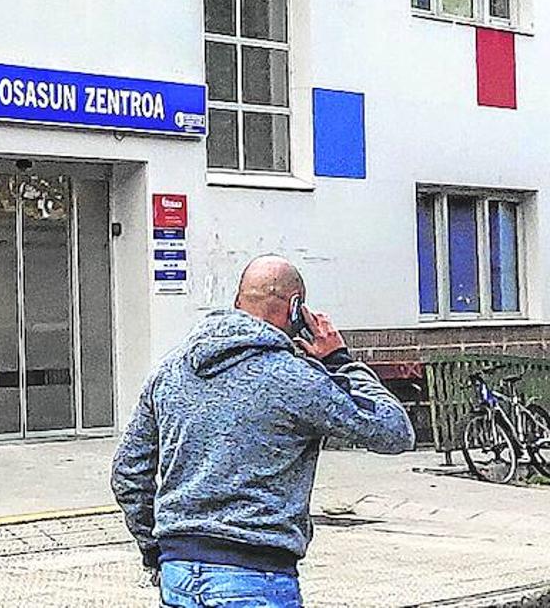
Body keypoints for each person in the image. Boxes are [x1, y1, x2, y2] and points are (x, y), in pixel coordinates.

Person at [111, 255, 414, 608]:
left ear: (238, 302)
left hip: (179, 573)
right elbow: (394, 430)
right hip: (255, 576)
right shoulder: (296, 378)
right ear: (296, 306)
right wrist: (339, 360)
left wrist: (156, 551)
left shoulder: (169, 371)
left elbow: (128, 473)